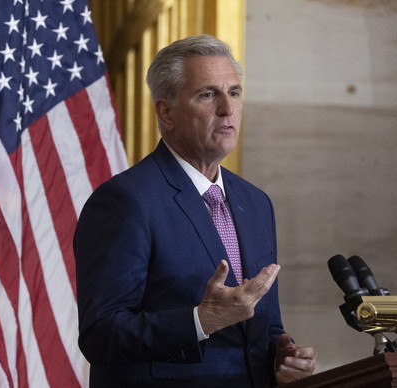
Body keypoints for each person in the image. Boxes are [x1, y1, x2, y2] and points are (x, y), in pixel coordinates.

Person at [73, 34, 316, 387]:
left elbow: (262, 326)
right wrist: (201, 321)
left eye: (234, 92)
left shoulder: (256, 202)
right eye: (208, 94)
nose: (227, 108)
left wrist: (282, 356)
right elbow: (100, 334)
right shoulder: (125, 201)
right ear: (166, 112)